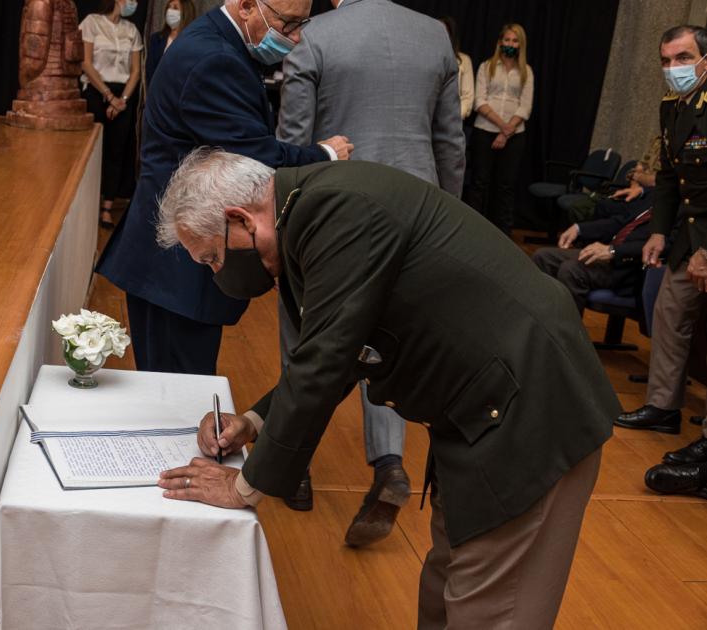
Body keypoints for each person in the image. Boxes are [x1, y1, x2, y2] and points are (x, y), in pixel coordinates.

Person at [153, 149, 616, 628]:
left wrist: (246, 488)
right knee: (446, 590)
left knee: (491, 608)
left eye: (212, 258)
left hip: (529, 412)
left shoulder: (333, 209)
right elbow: (347, 347)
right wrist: (252, 422)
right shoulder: (314, 208)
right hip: (483, 412)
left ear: (240, 219)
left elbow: (326, 358)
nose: (216, 273)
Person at [276, 0, 464, 546]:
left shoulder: (315, 35)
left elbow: (294, 142)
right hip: (419, 214)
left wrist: (287, 226)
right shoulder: (434, 35)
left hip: (336, 210)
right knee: (389, 340)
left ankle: (295, 465)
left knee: (305, 334)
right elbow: (450, 145)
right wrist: (446, 219)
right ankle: (388, 465)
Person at [95, 0, 353, 376]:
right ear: (249, 6)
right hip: (179, 263)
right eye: (288, 24)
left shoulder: (216, 43)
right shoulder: (212, 58)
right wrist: (325, 154)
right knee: (178, 390)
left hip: (170, 260)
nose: (296, 38)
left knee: (171, 381)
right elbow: (254, 157)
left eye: (302, 24)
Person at [617, 26, 707, 497]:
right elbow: (671, 181)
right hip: (687, 235)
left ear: (706, 60)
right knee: (669, 311)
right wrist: (656, 232)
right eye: (666, 60)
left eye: (684, 57)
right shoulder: (672, 107)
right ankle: (663, 407)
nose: (674, 68)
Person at [464, 23, 534, 236]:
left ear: (520, 45)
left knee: (506, 186)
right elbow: (479, 100)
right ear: (500, 42)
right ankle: (472, 230)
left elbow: (525, 106)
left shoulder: (526, 71)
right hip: (485, 130)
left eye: (515, 41)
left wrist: (506, 131)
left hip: (514, 135)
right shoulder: (486, 67)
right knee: (479, 182)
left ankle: (503, 232)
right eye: (507, 40)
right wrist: (501, 127)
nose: (510, 44)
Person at [79, 0, 143, 228]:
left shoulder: (131, 30)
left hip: (123, 95)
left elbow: (135, 71)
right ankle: (86, 205)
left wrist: (122, 100)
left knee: (116, 152)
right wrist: (108, 96)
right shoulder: (92, 22)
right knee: (91, 152)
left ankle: (107, 207)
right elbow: (86, 63)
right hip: (97, 91)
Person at [532, 203, 655, 314]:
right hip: (612, 253)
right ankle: (539, 325)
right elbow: (621, 222)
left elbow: (666, 245)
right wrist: (579, 228)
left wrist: (614, 251)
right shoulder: (656, 196)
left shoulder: (672, 209)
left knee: (571, 270)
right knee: (543, 257)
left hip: (635, 268)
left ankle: (566, 336)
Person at [145, 0, 196, 87]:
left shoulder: (194, 42)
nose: (170, 11)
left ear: (186, 13)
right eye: (169, 7)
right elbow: (150, 71)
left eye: (175, 8)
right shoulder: (157, 39)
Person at [440, 16, 474, 121]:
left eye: (444, 32)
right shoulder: (424, 57)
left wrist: (453, 119)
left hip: (452, 120)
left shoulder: (464, 60)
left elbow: (467, 98)